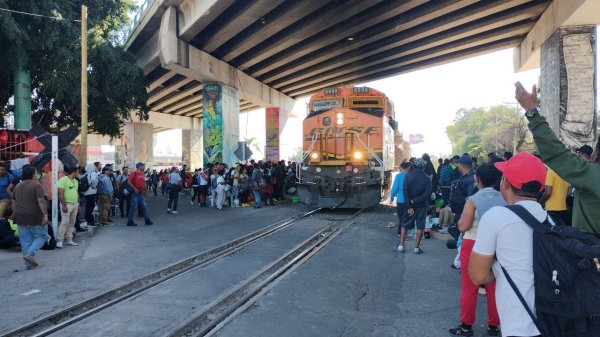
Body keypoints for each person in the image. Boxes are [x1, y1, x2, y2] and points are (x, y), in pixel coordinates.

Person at [470, 152, 547, 337]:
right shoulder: (552, 221)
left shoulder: (496, 217)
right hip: (550, 324)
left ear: (505, 183)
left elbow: (478, 276)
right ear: (541, 188)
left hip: (518, 327)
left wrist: (500, 268)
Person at [515, 82, 600, 234]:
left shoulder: (591, 174)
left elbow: (556, 152)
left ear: (595, 155)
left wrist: (531, 112)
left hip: (590, 252)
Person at [449, 164, 504, 337]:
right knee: (494, 287)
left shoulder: (473, 200)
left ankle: (466, 326)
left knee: (469, 286)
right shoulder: (504, 198)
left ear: (477, 180)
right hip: (497, 246)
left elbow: (463, 226)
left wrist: (459, 224)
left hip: (473, 245)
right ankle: (494, 327)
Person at [11, 165, 49, 270]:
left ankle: (28, 265)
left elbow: (13, 201)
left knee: (25, 240)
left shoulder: (18, 186)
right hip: (34, 216)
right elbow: (41, 201)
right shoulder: (37, 185)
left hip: (20, 216)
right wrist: (45, 214)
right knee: (42, 236)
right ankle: (31, 254)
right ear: (33, 175)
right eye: (36, 173)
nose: (37, 175)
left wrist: (15, 212)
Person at [398, 158, 431, 254]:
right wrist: (415, 200)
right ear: (423, 166)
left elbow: (405, 192)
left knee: (405, 224)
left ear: (414, 165)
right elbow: (427, 194)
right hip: (422, 205)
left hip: (410, 206)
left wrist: (409, 206)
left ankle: (401, 246)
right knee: (420, 226)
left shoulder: (408, 176)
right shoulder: (427, 178)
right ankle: (416, 248)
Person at [56, 166, 80, 248]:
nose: (78, 173)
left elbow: (76, 192)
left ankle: (69, 239)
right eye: (77, 171)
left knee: (72, 222)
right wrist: (63, 205)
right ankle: (59, 240)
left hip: (75, 204)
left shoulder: (76, 181)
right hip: (66, 204)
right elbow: (61, 193)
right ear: (73, 172)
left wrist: (78, 203)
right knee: (65, 222)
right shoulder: (63, 180)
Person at [449, 155, 476, 225]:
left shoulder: (471, 179)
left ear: (461, 165)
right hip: (460, 211)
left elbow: (470, 198)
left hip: (464, 213)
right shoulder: (464, 176)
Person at [390, 162, 410, 236]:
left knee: (401, 217)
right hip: (409, 201)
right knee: (407, 217)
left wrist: (392, 198)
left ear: (401, 168)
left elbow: (394, 189)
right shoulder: (410, 176)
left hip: (401, 201)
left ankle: (400, 232)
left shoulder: (398, 176)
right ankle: (406, 231)